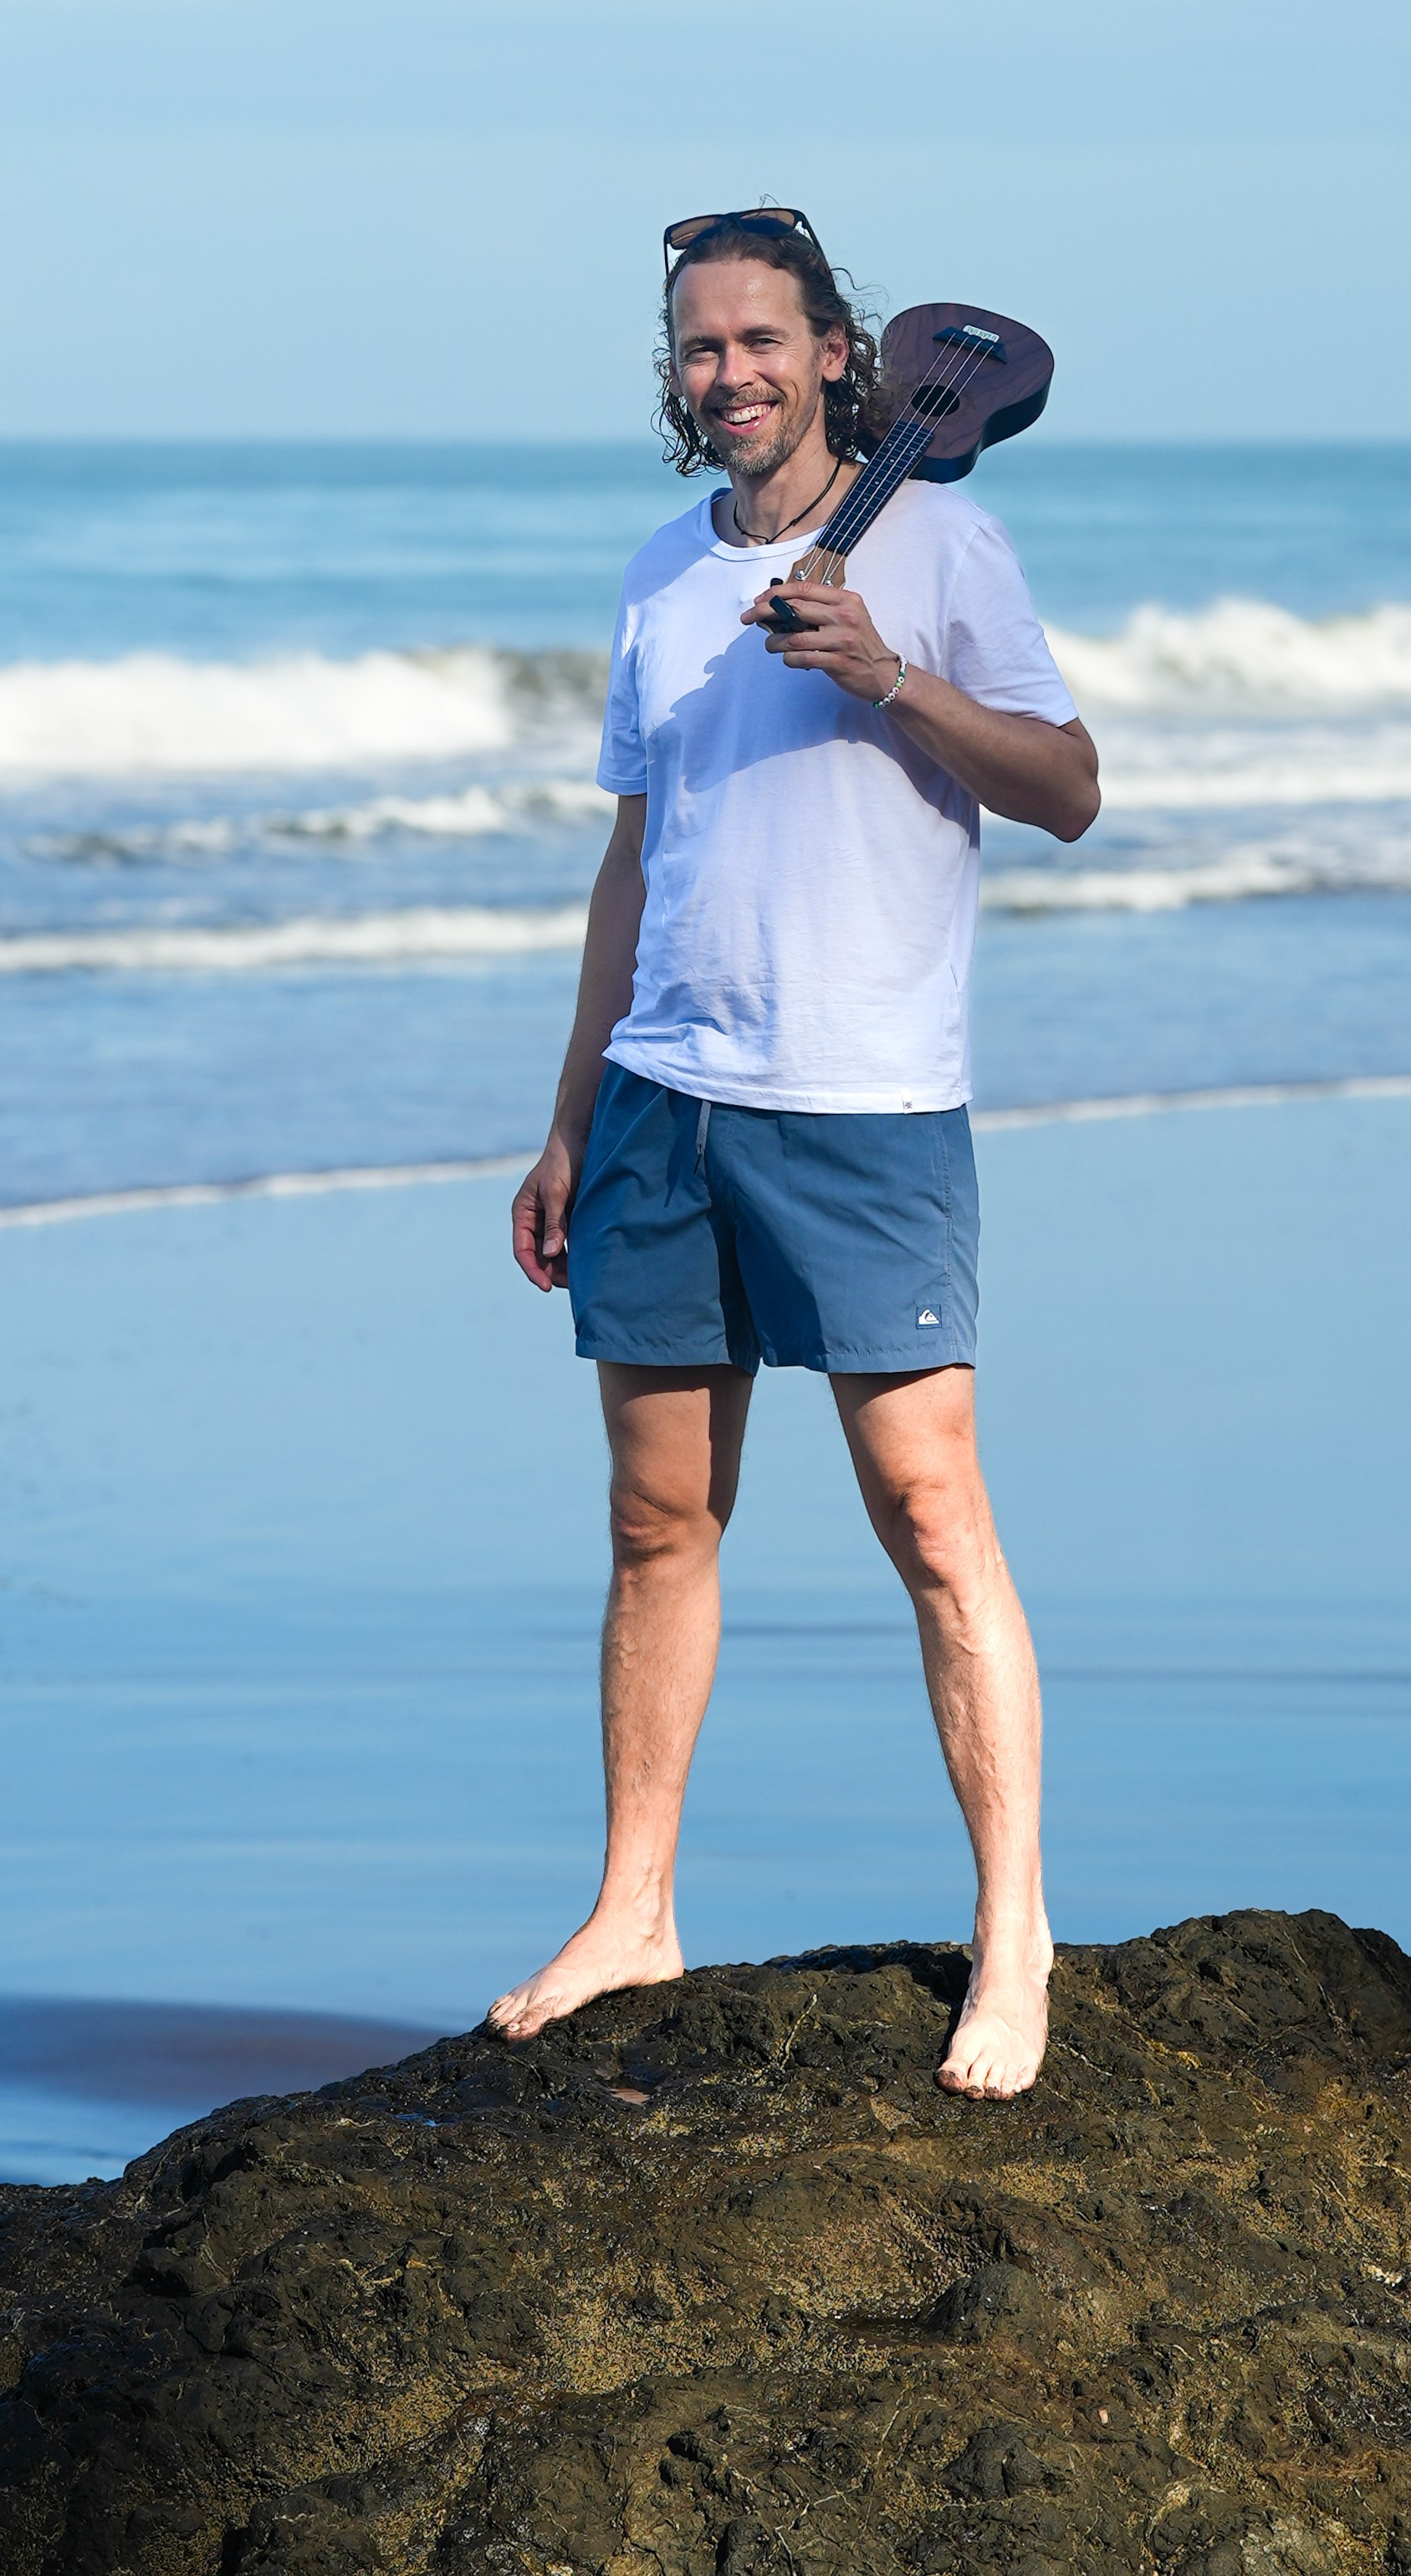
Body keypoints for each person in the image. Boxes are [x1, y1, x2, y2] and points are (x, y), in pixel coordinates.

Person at [497, 207, 1100, 2099]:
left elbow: (1071, 790)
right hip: (669, 1097)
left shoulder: (946, 542)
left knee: (931, 1516)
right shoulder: (661, 577)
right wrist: (573, 1111)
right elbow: (633, 861)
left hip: (863, 1103)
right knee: (655, 1521)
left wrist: (888, 677)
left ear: (843, 352)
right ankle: (636, 1909)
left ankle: (1014, 1938)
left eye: (763, 338)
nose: (732, 373)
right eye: (700, 348)